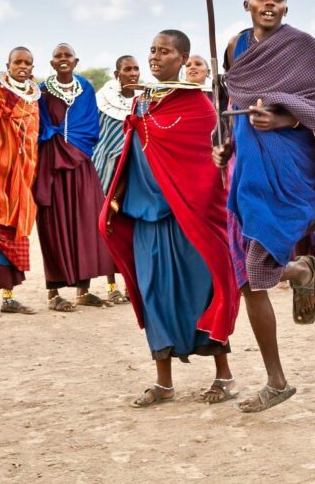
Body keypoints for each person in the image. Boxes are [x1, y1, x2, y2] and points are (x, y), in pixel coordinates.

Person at [213, 0, 315, 412]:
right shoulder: (234, 47)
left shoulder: (302, 47)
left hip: (288, 167)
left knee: (254, 270)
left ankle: (297, 277)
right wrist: (226, 144)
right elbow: (237, 103)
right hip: (247, 168)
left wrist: (287, 121)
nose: (270, 3)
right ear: (246, 3)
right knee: (249, 277)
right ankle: (278, 372)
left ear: (286, 7)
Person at [102, 30, 240, 407]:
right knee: (153, 296)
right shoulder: (141, 103)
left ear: (183, 58)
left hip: (188, 216)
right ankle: (164, 383)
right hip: (145, 215)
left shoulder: (199, 106)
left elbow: (208, 165)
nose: (155, 57)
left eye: (164, 52)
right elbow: (134, 151)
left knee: (203, 290)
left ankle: (223, 376)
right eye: (152, 50)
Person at [35, 43, 115, 311]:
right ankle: (54, 293)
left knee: (86, 224)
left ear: (76, 60)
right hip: (52, 165)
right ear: (51, 61)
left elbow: (90, 125)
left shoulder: (86, 88)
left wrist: (72, 147)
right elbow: (40, 125)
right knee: (53, 225)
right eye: (57, 55)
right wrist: (57, 143)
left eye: (67, 55)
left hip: (81, 163)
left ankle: (83, 291)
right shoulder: (42, 90)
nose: (62, 59)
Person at [0, 47, 42, 315]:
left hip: (22, 174)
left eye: (28, 63)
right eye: (18, 62)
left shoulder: (33, 94)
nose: (23, 66)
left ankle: (8, 296)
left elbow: (32, 133)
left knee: (16, 231)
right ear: (8, 64)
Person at [91, 55, 140, 304]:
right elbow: (98, 137)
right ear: (116, 74)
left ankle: (132, 285)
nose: (133, 73)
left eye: (136, 69)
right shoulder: (102, 101)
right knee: (108, 226)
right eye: (127, 69)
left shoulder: (145, 101)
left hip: (135, 178)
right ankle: (111, 286)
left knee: (132, 231)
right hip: (107, 173)